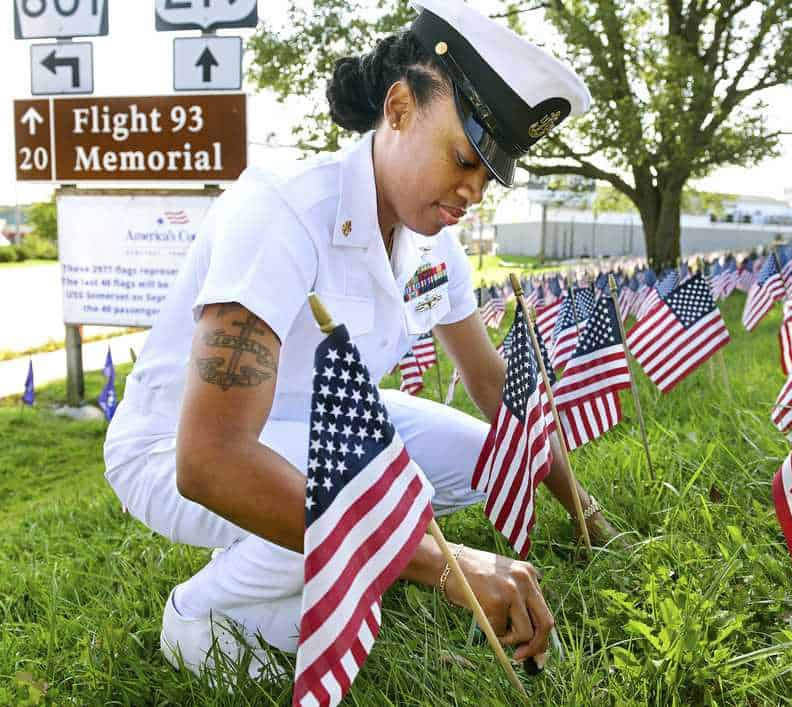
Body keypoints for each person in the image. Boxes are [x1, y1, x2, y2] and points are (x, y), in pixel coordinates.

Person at [102, 0, 618, 687]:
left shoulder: (431, 234)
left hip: (318, 422)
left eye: (489, 176)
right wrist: (446, 565)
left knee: (482, 462)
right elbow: (210, 459)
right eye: (464, 157)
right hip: (175, 447)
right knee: (369, 493)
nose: (472, 191)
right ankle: (205, 613)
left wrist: (586, 513)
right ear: (399, 108)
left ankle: (355, 550)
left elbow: (494, 386)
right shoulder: (282, 211)